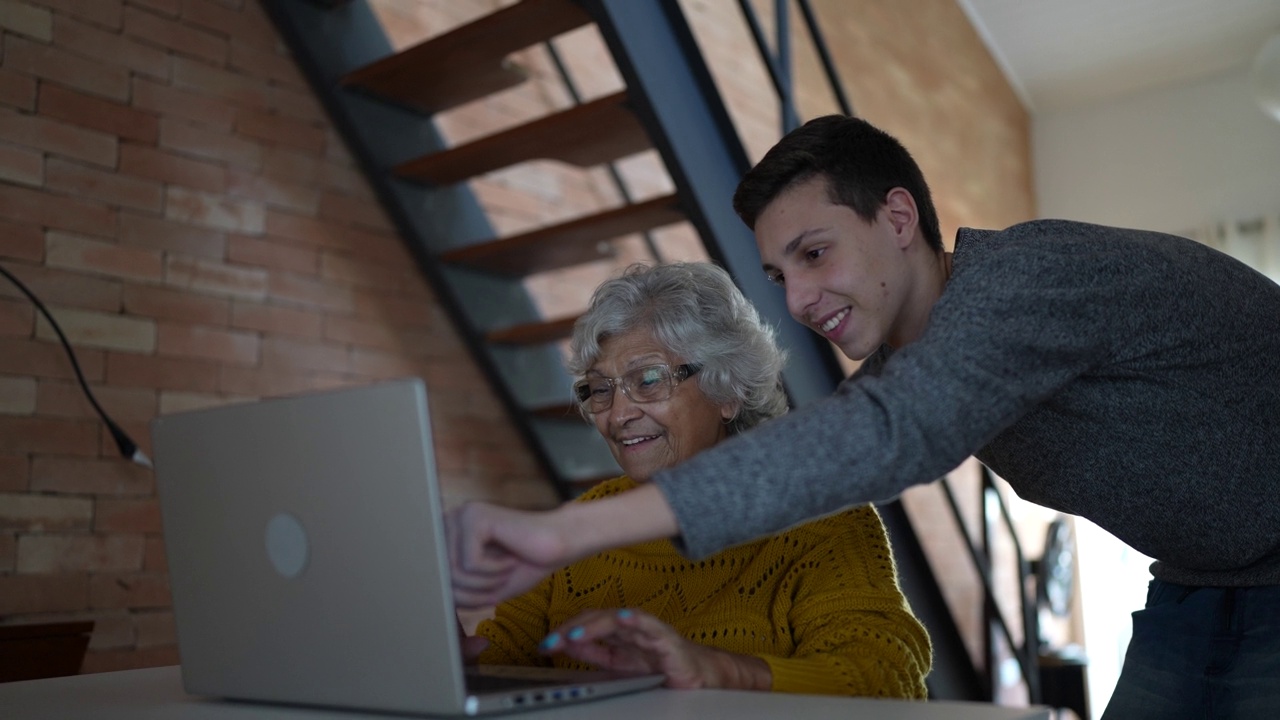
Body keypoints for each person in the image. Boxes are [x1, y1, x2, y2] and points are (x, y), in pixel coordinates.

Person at [447, 116, 1280, 718]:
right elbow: (856, 435)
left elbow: (886, 436)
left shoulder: (1029, 278)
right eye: (779, 276)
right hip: (1201, 578)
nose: (801, 300)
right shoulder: (910, 366)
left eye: (814, 254)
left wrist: (561, 534)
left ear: (898, 217)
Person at [460, 261, 931, 698]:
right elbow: (504, 659)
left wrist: (724, 670)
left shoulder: (824, 521)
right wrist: (458, 663)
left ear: (727, 391)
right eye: (600, 390)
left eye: (648, 380)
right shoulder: (585, 523)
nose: (618, 415)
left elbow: (888, 678)